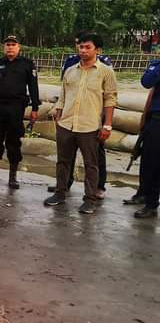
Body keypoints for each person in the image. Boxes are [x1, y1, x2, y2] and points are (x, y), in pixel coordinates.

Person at [44, 33, 118, 214]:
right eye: (81, 47)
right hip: (66, 125)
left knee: (91, 164)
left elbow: (110, 99)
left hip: (89, 126)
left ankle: (90, 199)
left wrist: (107, 125)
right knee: (63, 162)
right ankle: (60, 193)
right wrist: (58, 112)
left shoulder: (105, 72)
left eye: (88, 47)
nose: (83, 51)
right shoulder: (70, 71)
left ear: (97, 50)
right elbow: (63, 96)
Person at [0, 35, 40, 189]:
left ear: (18, 47)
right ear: (4, 47)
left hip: (16, 108)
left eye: (13, 45)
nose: (10, 47)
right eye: (7, 45)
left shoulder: (27, 65)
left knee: (13, 142)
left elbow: (33, 87)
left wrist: (35, 108)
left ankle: (12, 177)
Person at [133, 59, 160, 218]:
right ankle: (149, 201)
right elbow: (146, 82)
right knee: (150, 162)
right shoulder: (156, 65)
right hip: (156, 120)